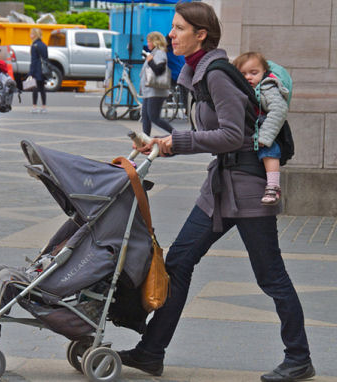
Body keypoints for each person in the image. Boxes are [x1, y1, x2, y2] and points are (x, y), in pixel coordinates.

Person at [118, 3, 315, 382]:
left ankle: (299, 357)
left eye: (179, 28)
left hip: (248, 189)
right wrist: (164, 143)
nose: (172, 34)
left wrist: (174, 142)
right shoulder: (199, 72)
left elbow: (231, 135)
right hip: (220, 189)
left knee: (271, 276)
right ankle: (150, 352)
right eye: (172, 29)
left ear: (201, 34)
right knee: (178, 262)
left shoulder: (218, 75)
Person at [234, 52, 288, 205]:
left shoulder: (268, 86)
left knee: (269, 153)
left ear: (264, 71)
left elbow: (279, 110)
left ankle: (273, 186)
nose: (248, 77)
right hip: (256, 131)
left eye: (253, 72)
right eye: (243, 74)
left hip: (267, 130)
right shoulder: (246, 88)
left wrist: (264, 136)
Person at [140, 31, 174, 136]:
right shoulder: (154, 53)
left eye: (149, 41)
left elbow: (159, 70)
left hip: (156, 91)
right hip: (149, 91)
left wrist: (150, 61)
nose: (148, 44)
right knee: (145, 117)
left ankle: (175, 134)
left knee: (154, 117)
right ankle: (145, 140)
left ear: (155, 42)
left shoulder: (159, 53)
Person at [29, 28, 48, 114]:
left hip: (36, 68)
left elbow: (33, 60)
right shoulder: (44, 45)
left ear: (35, 35)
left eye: (31, 34)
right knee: (42, 88)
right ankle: (44, 107)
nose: (30, 35)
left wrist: (31, 72)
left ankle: (34, 106)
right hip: (43, 69)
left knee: (35, 88)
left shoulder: (34, 45)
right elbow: (46, 58)